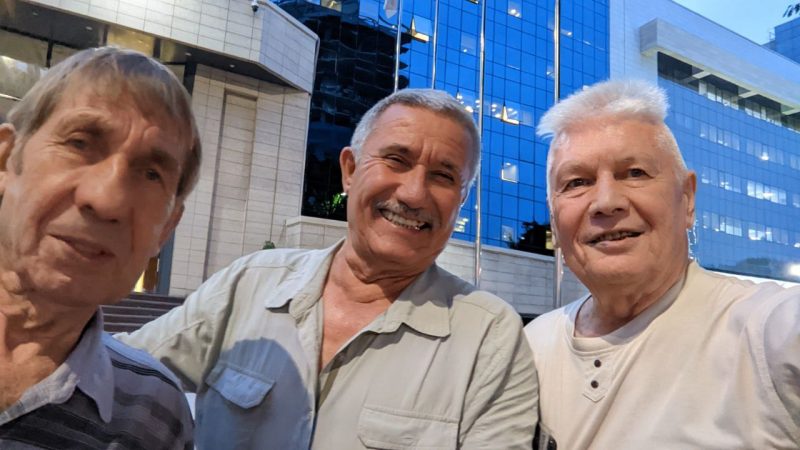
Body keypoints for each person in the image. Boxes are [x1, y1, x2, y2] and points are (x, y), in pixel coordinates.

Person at [117, 89, 538, 449]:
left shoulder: (488, 337)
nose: (413, 194)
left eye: (443, 176)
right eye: (396, 159)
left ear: (460, 201)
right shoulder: (249, 284)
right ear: (349, 170)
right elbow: (114, 375)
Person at [525, 79, 800, 449]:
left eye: (634, 173)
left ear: (687, 199)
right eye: (576, 182)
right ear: (554, 219)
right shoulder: (527, 348)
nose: (606, 202)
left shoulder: (764, 330)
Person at [0, 47, 201, 449]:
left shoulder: (155, 415)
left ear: (167, 227)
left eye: (151, 174)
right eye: (79, 143)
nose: (107, 200)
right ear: (6, 160)